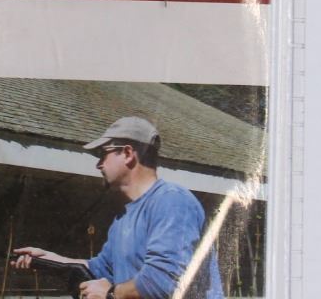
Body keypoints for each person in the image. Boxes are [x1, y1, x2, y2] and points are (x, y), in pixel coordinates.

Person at [12, 116, 225, 299]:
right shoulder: (123, 218)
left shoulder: (172, 201)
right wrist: (49, 259)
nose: (98, 164)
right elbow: (100, 268)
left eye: (102, 154)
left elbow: (164, 281)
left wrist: (110, 293)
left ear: (128, 153)